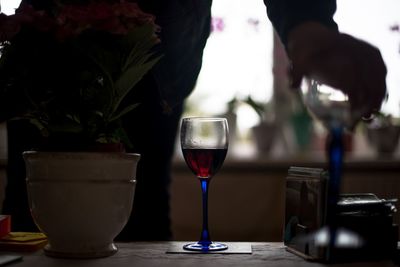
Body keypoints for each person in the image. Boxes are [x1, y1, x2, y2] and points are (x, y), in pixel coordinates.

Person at [2, 0, 387, 241]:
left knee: (145, 213)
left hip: (152, 69)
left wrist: (309, 27)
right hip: (46, 66)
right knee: (32, 217)